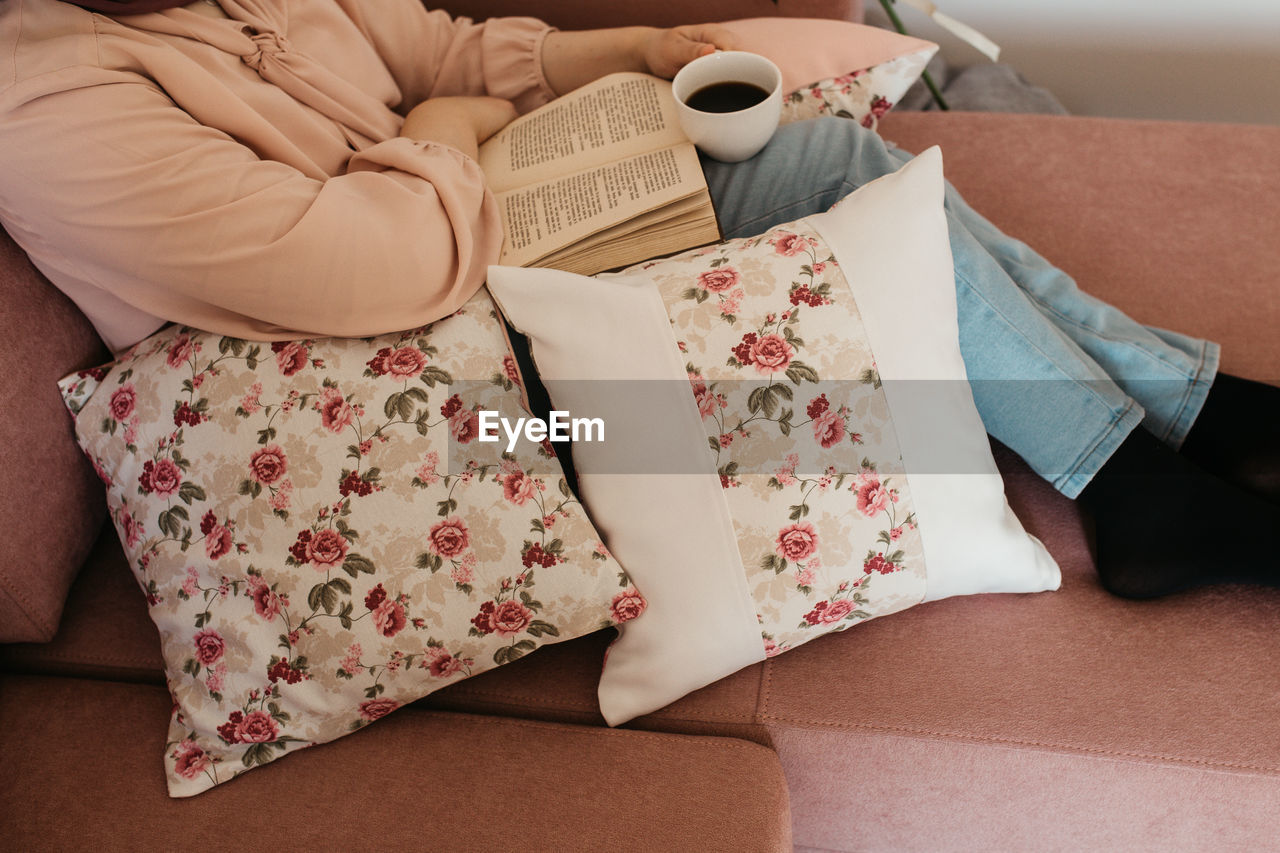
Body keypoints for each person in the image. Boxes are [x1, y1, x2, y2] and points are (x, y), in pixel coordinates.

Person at [1, 0, 1276, 598]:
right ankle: (1147, 471)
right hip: (431, 415)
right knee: (823, 201)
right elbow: (374, 263)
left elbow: (433, 52)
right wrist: (453, 126)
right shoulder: (42, 103)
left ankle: (1176, 414)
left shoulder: (176, 9)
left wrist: (626, 59)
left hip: (478, 247)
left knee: (821, 162)